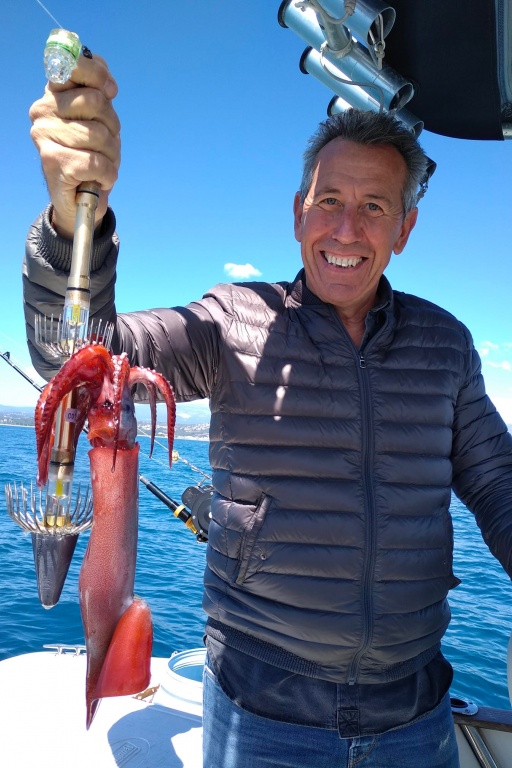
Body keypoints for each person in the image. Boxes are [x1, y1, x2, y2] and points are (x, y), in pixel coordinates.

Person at [25, 54, 512, 768]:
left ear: (404, 228)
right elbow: (81, 357)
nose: (347, 229)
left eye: (375, 207)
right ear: (297, 213)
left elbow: (498, 482)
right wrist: (74, 225)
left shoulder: (446, 344)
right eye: (329, 201)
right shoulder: (230, 322)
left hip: (415, 713)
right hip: (261, 717)